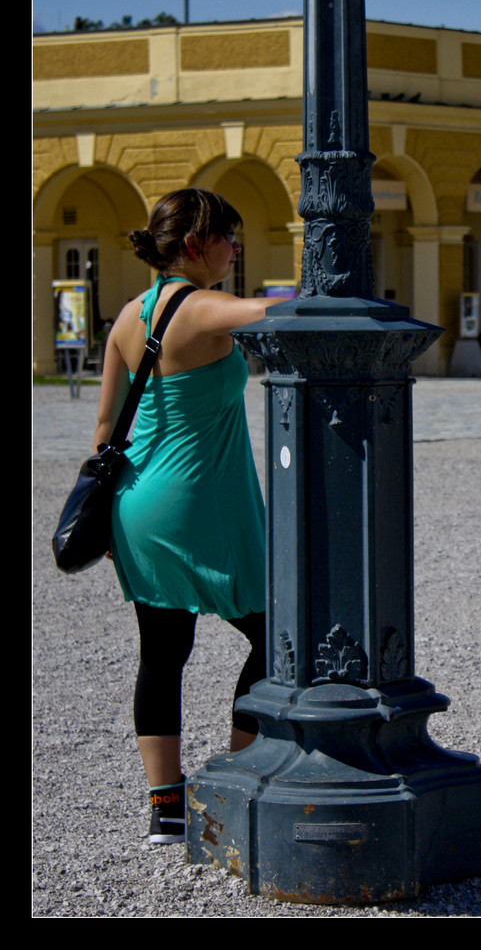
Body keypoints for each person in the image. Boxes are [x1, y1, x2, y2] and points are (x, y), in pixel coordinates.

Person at [93, 188, 287, 844]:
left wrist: (114, 523)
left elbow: (102, 432)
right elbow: (272, 309)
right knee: (275, 636)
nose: (237, 249)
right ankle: (235, 782)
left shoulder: (128, 316)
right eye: (230, 238)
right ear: (197, 245)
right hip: (201, 504)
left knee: (163, 653)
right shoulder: (203, 307)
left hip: (138, 504)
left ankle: (165, 808)